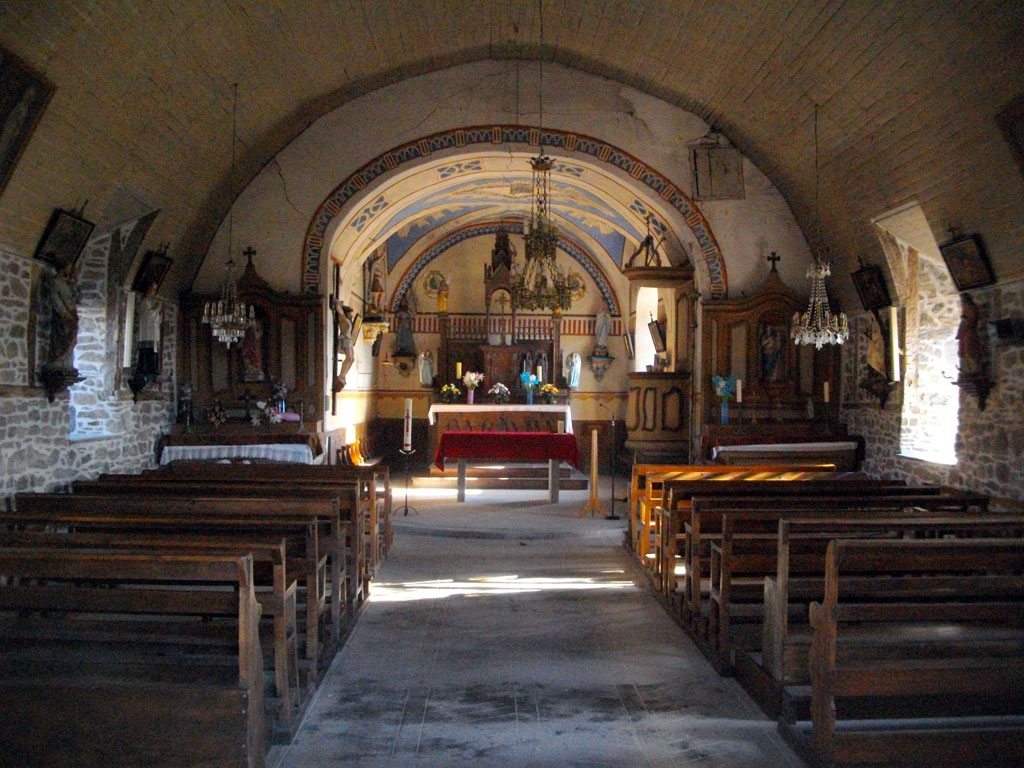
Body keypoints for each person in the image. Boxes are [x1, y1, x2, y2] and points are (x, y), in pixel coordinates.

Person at [44, 263, 79, 370]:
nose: (69, 271)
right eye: (68, 269)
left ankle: (67, 362)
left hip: (72, 312)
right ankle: (58, 361)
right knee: (62, 338)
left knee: (72, 337)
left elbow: (76, 298)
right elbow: (55, 299)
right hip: (63, 315)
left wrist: (72, 283)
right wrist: (64, 313)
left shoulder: (67, 283)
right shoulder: (55, 282)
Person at [136, 282, 161, 381]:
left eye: (155, 289)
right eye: (153, 289)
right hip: (147, 331)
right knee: (147, 350)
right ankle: (146, 369)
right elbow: (148, 315)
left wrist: (157, 310)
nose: (154, 292)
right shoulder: (144, 302)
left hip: (153, 332)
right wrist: (156, 309)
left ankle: (152, 368)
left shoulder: (150, 302)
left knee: (153, 350)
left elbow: (156, 318)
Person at [334, 303, 355, 391]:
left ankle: (344, 375)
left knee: (352, 359)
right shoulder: (343, 319)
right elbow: (340, 312)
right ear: (346, 313)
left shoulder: (348, 321)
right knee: (349, 358)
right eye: (350, 313)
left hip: (348, 339)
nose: (351, 315)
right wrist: (337, 303)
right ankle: (341, 376)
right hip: (345, 339)